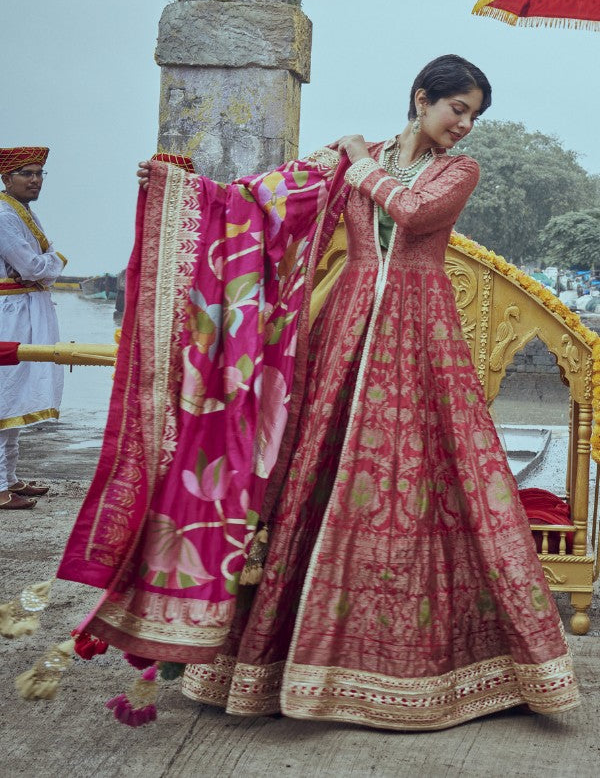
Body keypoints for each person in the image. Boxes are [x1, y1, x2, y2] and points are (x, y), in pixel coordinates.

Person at [59, 56, 579, 729]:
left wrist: (359, 163)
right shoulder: (352, 153)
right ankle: (272, 662)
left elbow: (416, 214)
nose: (466, 126)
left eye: (475, 115)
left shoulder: (456, 171)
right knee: (313, 473)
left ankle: (450, 662)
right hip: (347, 322)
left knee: (430, 481)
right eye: (459, 109)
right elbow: (263, 199)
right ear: (423, 98)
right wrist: (182, 192)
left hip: (421, 331)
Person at [0, 147, 66, 510]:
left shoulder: (23, 212)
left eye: (40, 173)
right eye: (27, 173)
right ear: (6, 178)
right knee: (4, 394)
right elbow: (33, 266)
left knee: (17, 395)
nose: (35, 179)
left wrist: (44, 264)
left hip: (24, 310)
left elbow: (38, 265)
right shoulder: (4, 216)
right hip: (8, 314)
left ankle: (9, 479)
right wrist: (52, 262)